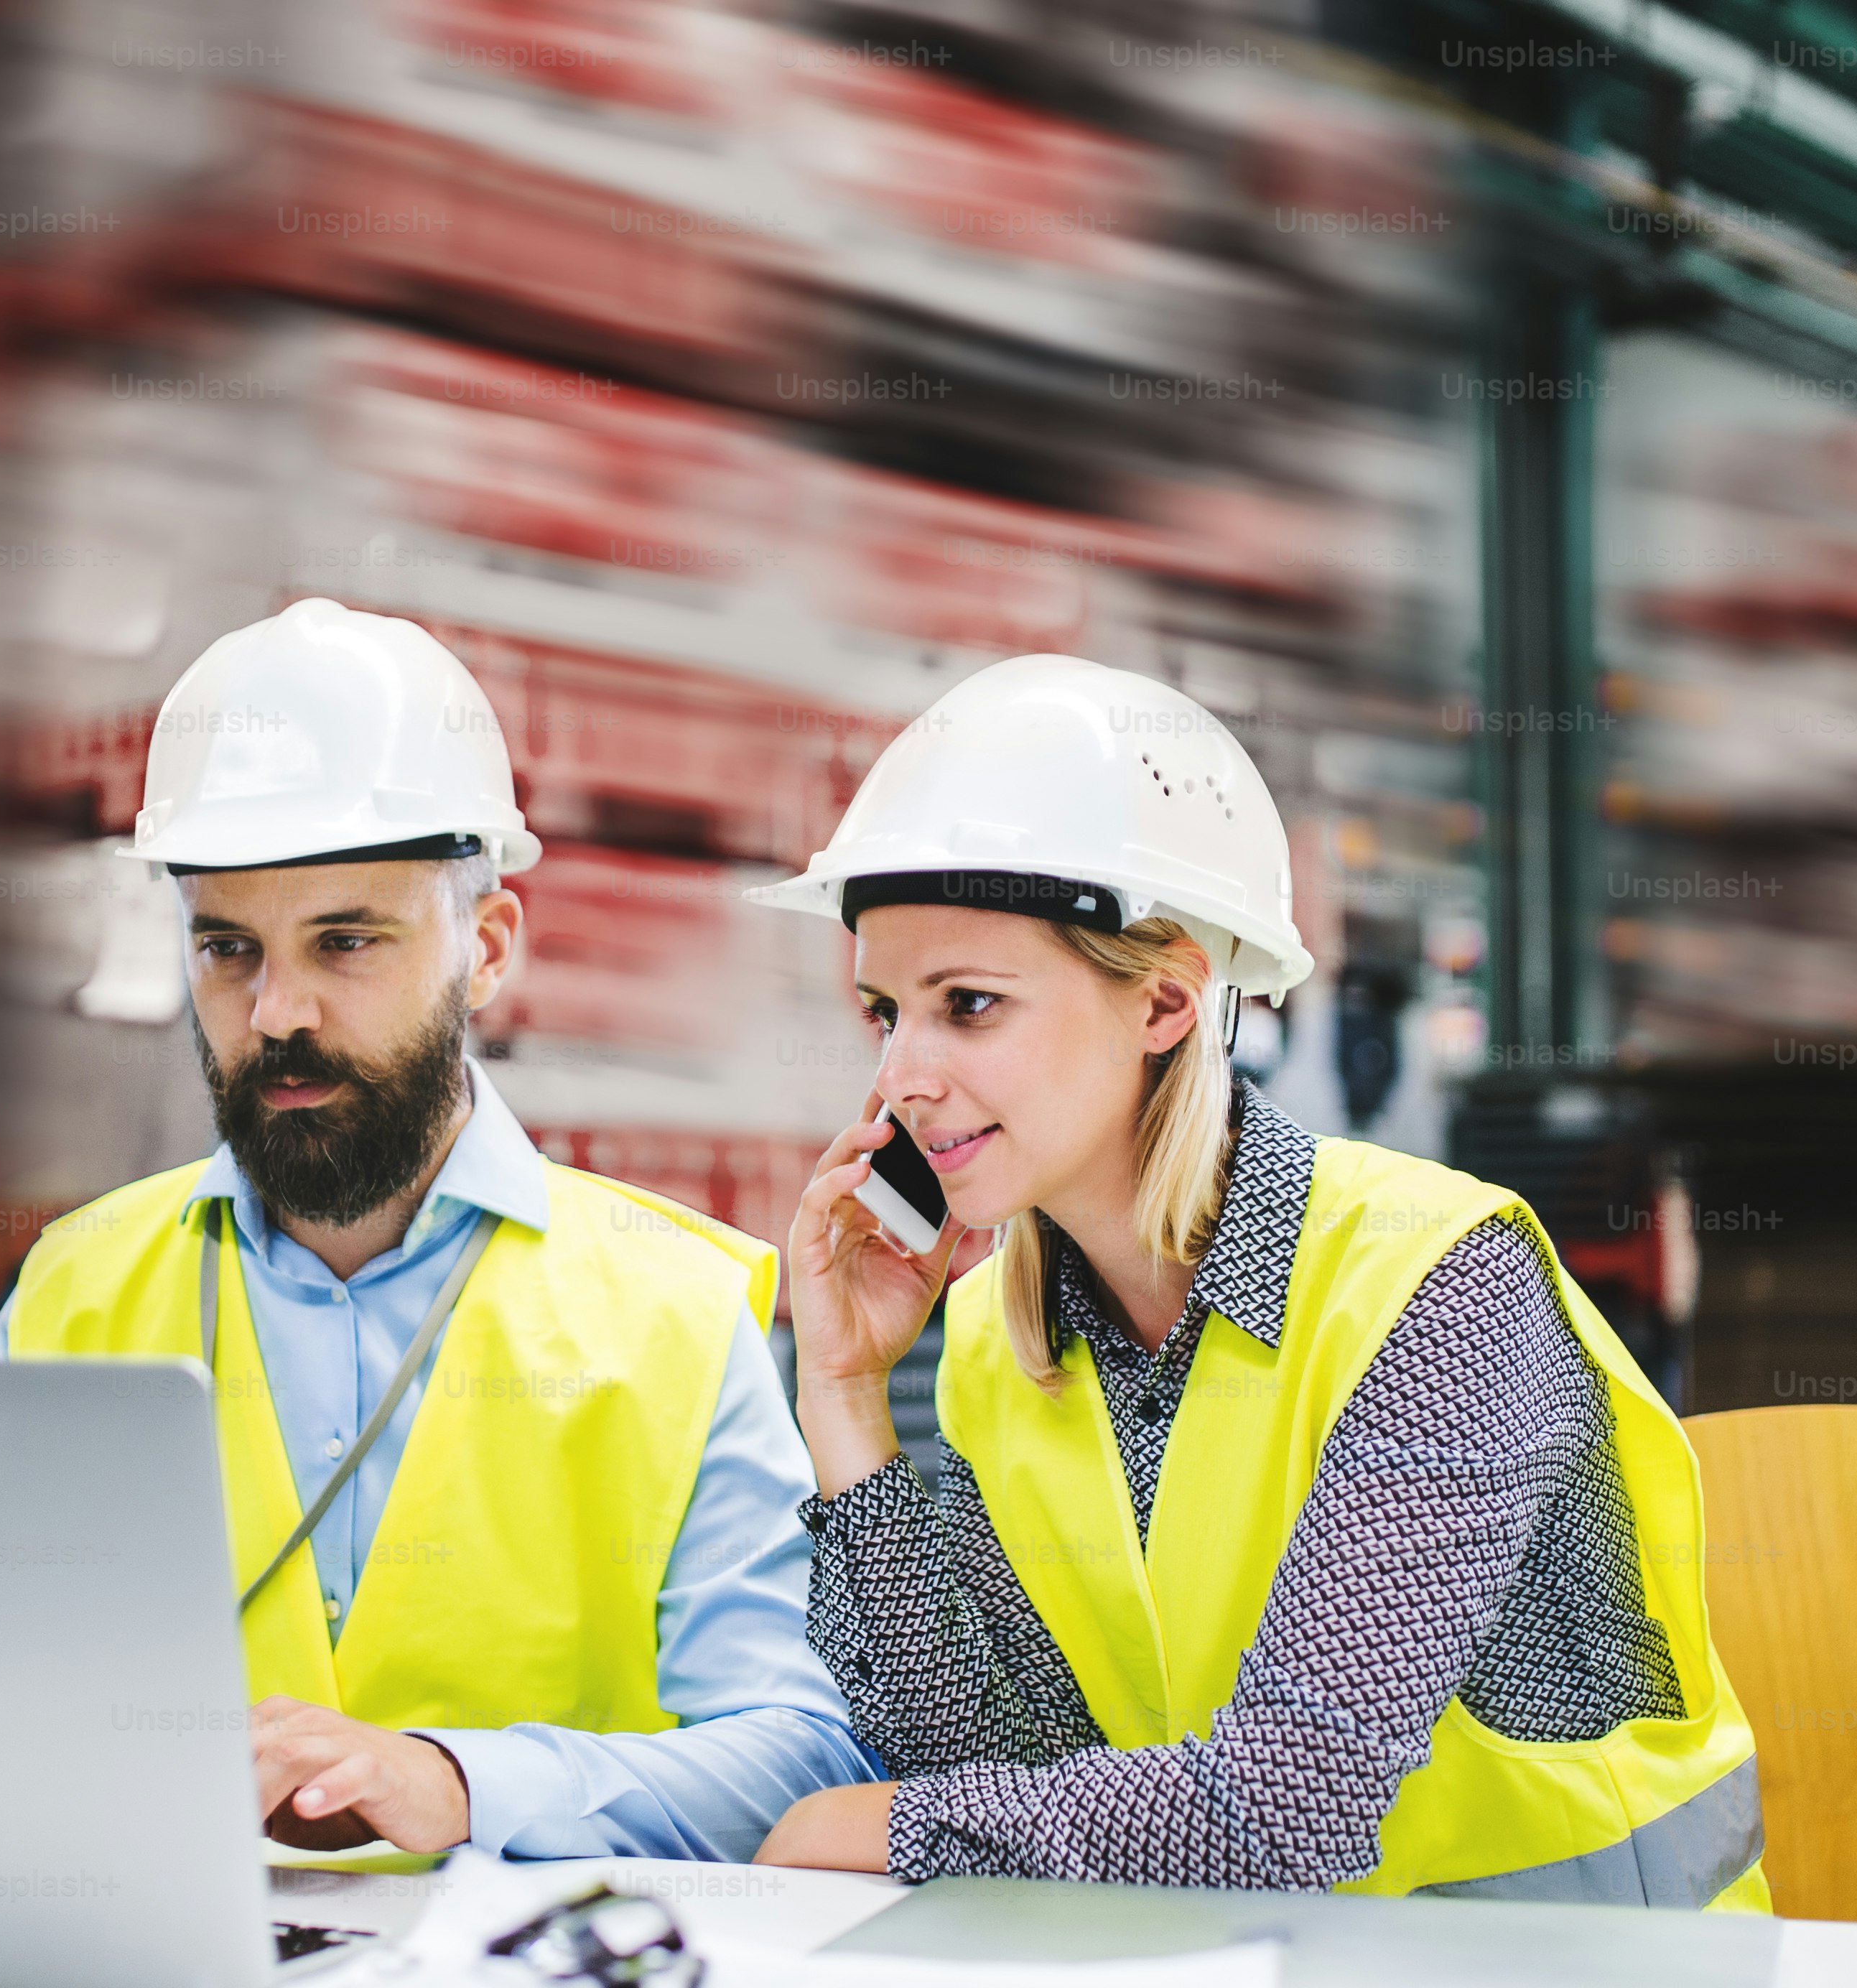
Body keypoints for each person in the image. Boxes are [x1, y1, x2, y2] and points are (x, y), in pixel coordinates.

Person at [741, 655, 1768, 1905]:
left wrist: (884, 1828)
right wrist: (844, 1398)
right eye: (883, 1012)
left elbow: (1280, 1818)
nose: (903, 1074)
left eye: (968, 1005)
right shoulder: (997, 1343)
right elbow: (994, 1765)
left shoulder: (1437, 1292)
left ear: (1167, 1004)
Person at [0, 598, 873, 1861]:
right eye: (228, 950)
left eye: (346, 942)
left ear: (487, 948)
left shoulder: (668, 1311)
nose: (277, 1012)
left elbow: (801, 1755)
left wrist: (469, 1785)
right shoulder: (76, 1292)